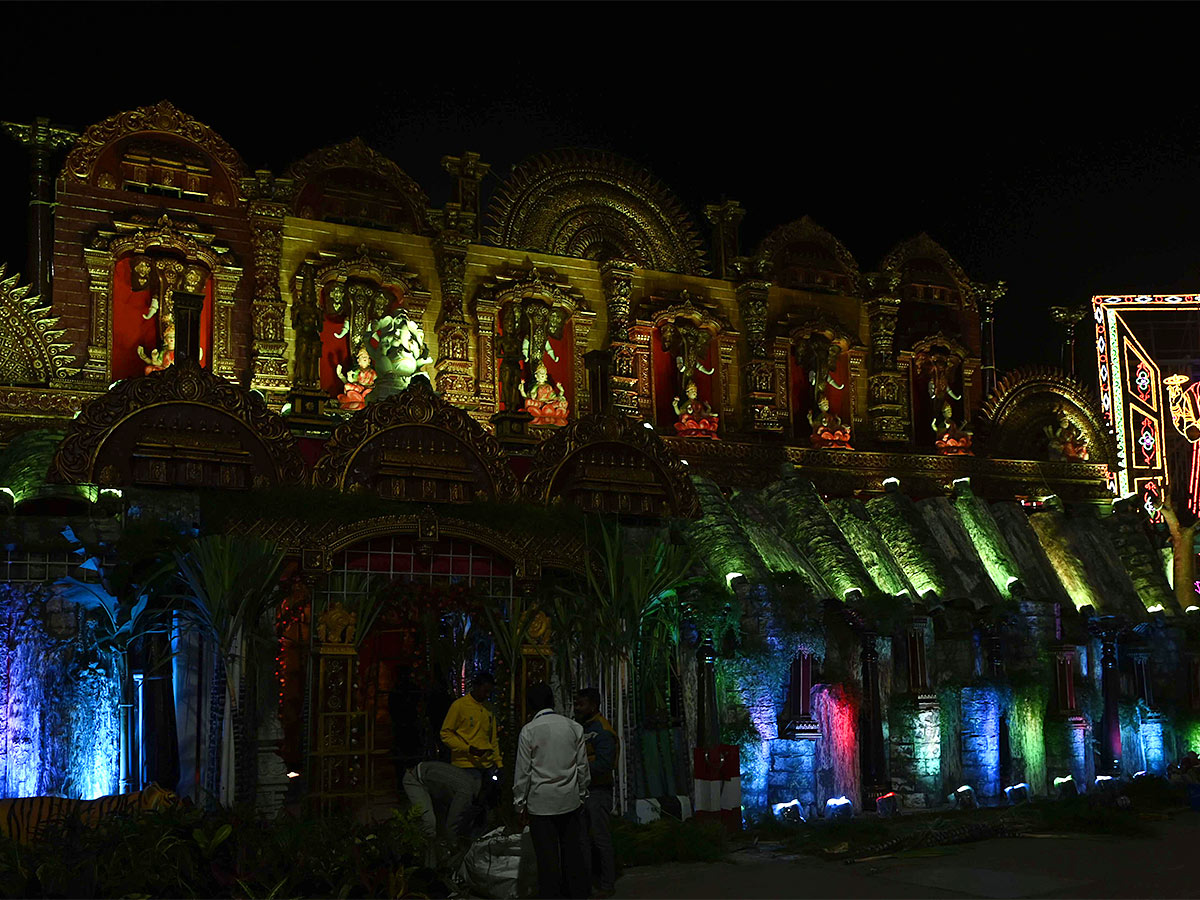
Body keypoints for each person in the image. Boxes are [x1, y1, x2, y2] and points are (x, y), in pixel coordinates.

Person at [514, 682, 590, 900]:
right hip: (569, 801)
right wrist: (582, 794)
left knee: (547, 861)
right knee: (572, 856)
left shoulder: (529, 731)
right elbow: (582, 767)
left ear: (531, 705)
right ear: (552, 702)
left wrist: (519, 804)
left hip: (541, 804)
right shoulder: (573, 727)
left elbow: (523, 773)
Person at [440, 672, 501, 825]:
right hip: (465, 765)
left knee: (484, 807)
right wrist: (468, 749)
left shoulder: (488, 708)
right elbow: (445, 734)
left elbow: (493, 739)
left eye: (489, 692)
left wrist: (498, 764)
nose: (487, 695)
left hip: (486, 766)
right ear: (476, 687)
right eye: (484, 691)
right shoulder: (460, 706)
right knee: (466, 806)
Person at [575, 688, 619, 898]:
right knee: (582, 838)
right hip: (583, 790)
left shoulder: (602, 730)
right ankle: (587, 882)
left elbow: (604, 764)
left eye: (581, 704)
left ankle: (607, 884)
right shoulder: (583, 727)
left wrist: (577, 768)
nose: (577, 708)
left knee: (601, 838)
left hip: (598, 790)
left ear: (593, 706)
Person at [402, 759, 483, 865]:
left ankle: (433, 860)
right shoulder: (466, 793)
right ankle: (426, 865)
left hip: (429, 782)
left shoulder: (473, 782)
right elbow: (452, 824)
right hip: (414, 780)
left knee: (439, 826)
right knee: (429, 824)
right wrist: (454, 847)